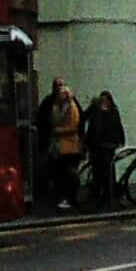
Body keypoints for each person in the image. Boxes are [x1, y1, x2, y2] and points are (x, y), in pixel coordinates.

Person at [38, 76, 85, 213]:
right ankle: (63, 197)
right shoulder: (49, 102)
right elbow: (42, 120)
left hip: (69, 146)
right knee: (56, 171)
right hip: (56, 145)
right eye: (58, 85)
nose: (60, 89)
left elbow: (76, 125)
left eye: (62, 86)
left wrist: (56, 131)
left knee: (67, 172)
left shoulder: (72, 105)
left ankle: (68, 198)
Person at [82, 88, 123, 210]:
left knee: (108, 171)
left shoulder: (113, 112)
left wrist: (118, 141)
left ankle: (108, 195)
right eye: (102, 100)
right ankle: (100, 195)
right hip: (96, 146)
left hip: (107, 146)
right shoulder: (95, 110)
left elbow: (117, 127)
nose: (105, 103)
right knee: (98, 171)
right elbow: (84, 117)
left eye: (107, 100)